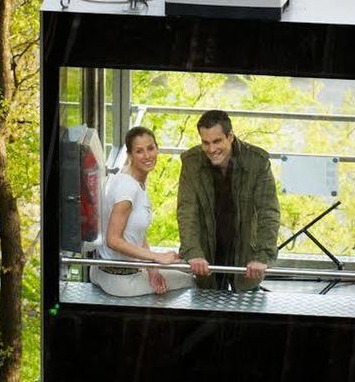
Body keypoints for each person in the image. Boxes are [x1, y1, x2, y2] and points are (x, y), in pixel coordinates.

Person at [177, 110, 280, 290]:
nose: (211, 149)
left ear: (230, 136)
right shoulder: (191, 162)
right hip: (208, 247)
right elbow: (187, 211)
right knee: (205, 311)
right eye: (205, 142)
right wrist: (193, 252)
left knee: (247, 311)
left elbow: (268, 212)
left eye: (217, 141)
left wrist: (262, 256)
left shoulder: (257, 161)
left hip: (245, 247)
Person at [91, 126, 190, 298]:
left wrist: (152, 269)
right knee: (190, 281)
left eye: (151, 148)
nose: (147, 155)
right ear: (129, 155)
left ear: (157, 148)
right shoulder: (128, 188)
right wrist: (157, 257)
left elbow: (136, 233)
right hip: (120, 280)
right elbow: (113, 240)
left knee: (170, 275)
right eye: (139, 151)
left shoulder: (128, 181)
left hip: (104, 272)